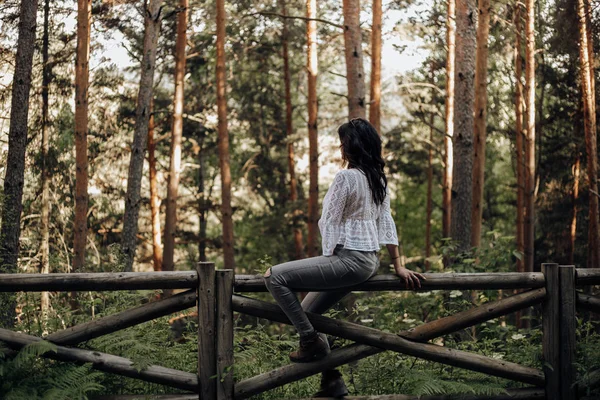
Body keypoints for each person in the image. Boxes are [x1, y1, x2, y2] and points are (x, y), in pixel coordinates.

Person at [263, 117, 426, 397]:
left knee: (274, 276)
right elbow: (386, 222)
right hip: (369, 262)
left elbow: (329, 222)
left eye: (343, 143)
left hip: (349, 260)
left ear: (350, 148)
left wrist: (330, 257)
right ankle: (333, 381)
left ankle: (309, 340)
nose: (340, 148)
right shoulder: (378, 179)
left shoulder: (346, 177)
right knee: (309, 312)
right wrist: (397, 265)